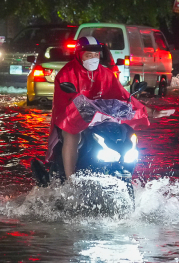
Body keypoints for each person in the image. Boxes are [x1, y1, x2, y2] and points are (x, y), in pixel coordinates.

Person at [46, 36, 152, 179]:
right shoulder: (67, 73)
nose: (93, 58)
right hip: (75, 118)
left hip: (102, 117)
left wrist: (147, 110)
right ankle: (70, 179)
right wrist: (80, 108)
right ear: (79, 55)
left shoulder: (106, 73)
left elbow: (121, 94)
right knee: (72, 136)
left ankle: (128, 171)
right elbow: (64, 101)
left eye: (96, 55)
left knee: (127, 133)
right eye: (88, 55)